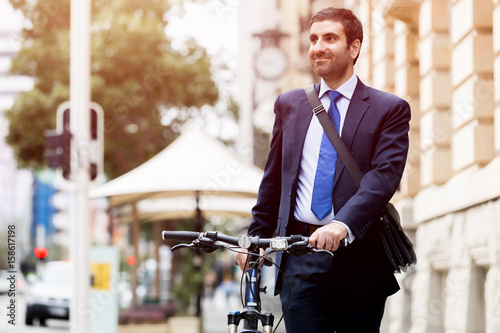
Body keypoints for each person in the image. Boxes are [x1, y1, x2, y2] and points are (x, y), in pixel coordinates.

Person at [235, 6, 411, 333]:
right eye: (313, 39)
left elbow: (383, 178)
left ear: (354, 47)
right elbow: (274, 181)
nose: (318, 46)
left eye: (330, 38)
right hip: (299, 257)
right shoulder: (289, 105)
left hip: (359, 258)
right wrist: (255, 239)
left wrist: (342, 224)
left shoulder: (389, 109)